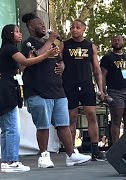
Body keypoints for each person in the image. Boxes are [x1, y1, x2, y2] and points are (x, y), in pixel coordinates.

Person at [21, 13, 91, 168]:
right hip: (38, 91)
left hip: (58, 91)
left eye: (43, 23)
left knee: (63, 124)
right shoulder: (28, 43)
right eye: (39, 24)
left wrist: (62, 65)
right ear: (31, 27)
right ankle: (44, 156)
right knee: (43, 125)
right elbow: (37, 55)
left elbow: (60, 59)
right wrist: (52, 39)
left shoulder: (50, 43)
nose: (43, 25)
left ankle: (71, 155)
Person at [0, 24, 59, 172]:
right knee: (12, 128)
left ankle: (7, 161)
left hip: (4, 88)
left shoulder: (8, 50)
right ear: (9, 34)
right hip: (6, 89)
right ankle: (12, 161)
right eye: (17, 32)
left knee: (7, 129)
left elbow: (21, 67)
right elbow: (25, 62)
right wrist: (45, 55)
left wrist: (31, 58)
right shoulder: (9, 48)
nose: (20, 34)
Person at [59, 19, 106, 161]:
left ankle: (95, 150)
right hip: (69, 85)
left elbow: (97, 69)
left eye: (78, 27)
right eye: (72, 27)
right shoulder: (64, 45)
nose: (74, 30)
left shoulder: (90, 46)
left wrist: (101, 89)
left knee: (91, 115)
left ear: (84, 29)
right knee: (71, 118)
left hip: (86, 85)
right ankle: (72, 151)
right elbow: (57, 63)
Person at [100, 35, 126, 144]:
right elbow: (102, 75)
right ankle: (116, 145)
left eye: (119, 40)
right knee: (116, 118)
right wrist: (103, 92)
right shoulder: (107, 58)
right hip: (114, 91)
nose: (116, 42)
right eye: (114, 40)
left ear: (123, 42)